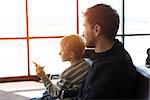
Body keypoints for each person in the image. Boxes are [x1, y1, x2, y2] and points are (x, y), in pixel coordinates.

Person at [76, 3, 137, 99]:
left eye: (85, 27)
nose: (83, 33)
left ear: (97, 30)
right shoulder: (109, 54)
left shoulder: (112, 68)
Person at [31, 35, 90, 100]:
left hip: (66, 97)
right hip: (78, 95)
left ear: (71, 54)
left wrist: (43, 77)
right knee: (46, 93)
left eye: (62, 50)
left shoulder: (67, 74)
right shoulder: (87, 65)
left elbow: (55, 93)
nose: (59, 53)